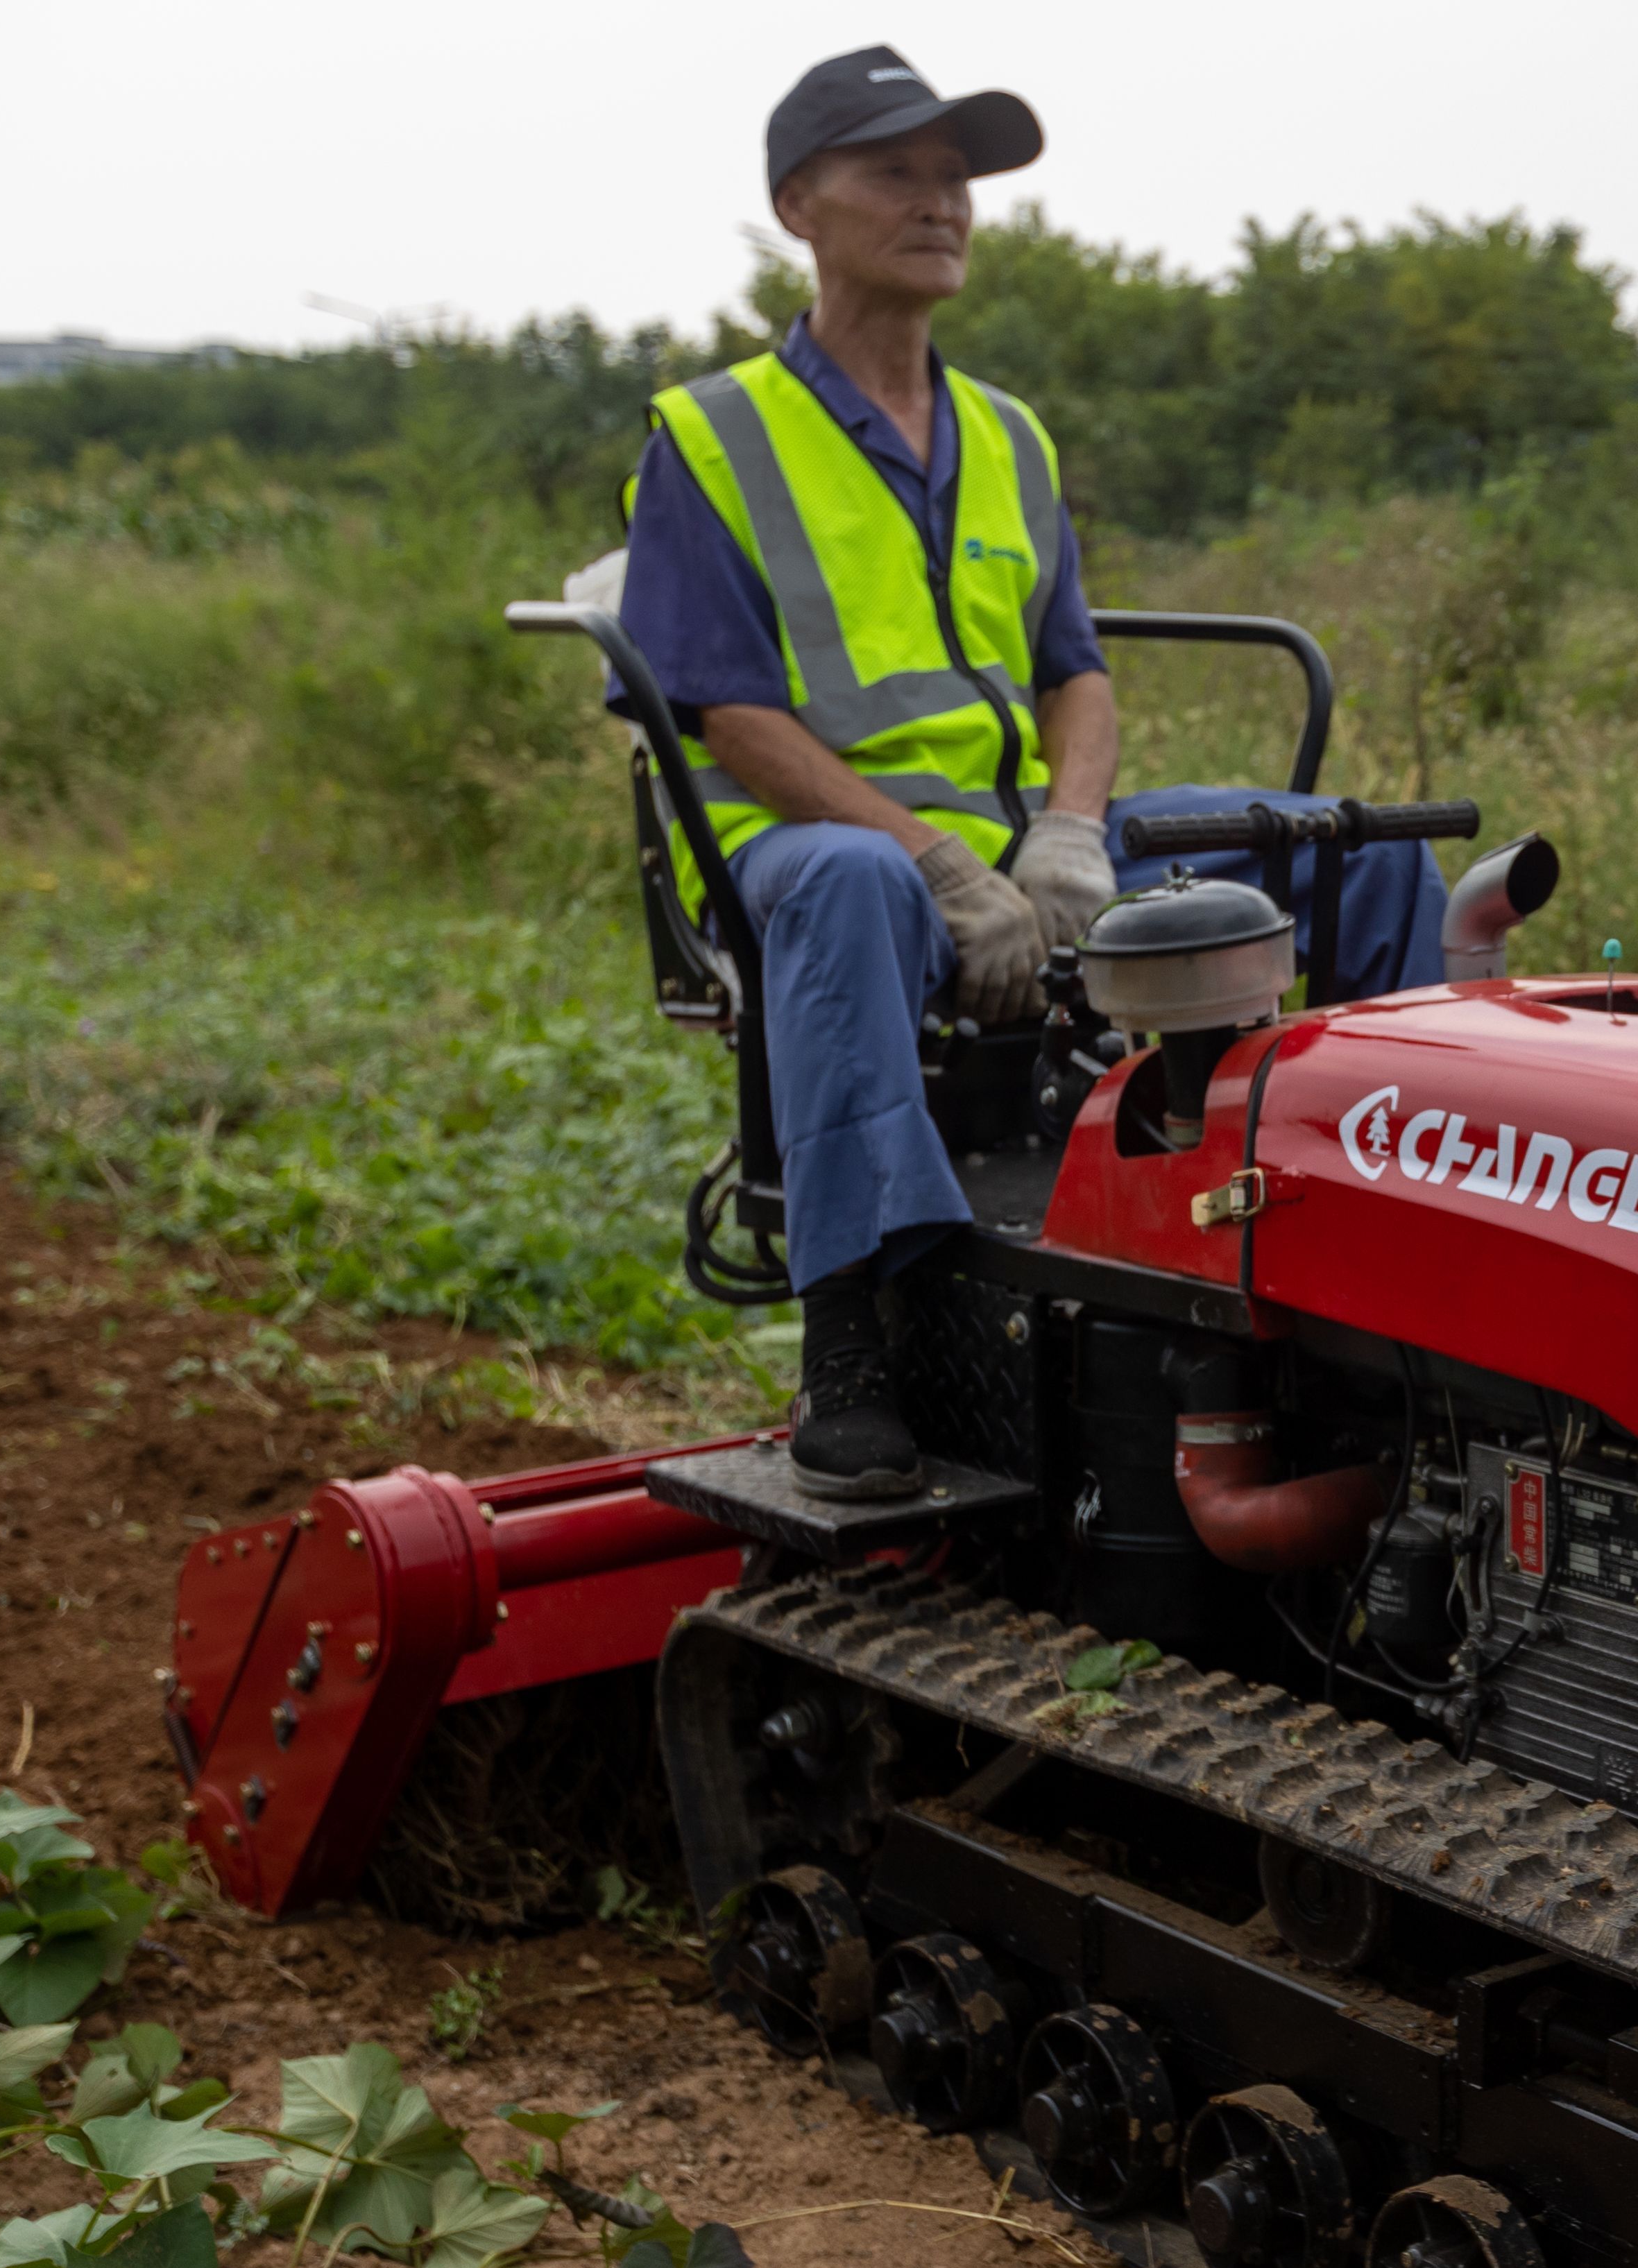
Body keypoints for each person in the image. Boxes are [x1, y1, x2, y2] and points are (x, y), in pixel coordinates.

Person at [619, 46, 1445, 1501]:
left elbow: (1078, 676)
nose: (943, 202)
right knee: (860, 881)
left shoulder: (1008, 433)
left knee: (1355, 847)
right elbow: (730, 717)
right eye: (898, 171)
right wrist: (942, 861)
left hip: (1025, 840)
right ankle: (857, 1331)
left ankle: (1398, 1224)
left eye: (959, 178)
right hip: (809, 843)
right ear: (798, 203)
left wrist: (1066, 835)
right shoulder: (714, 435)